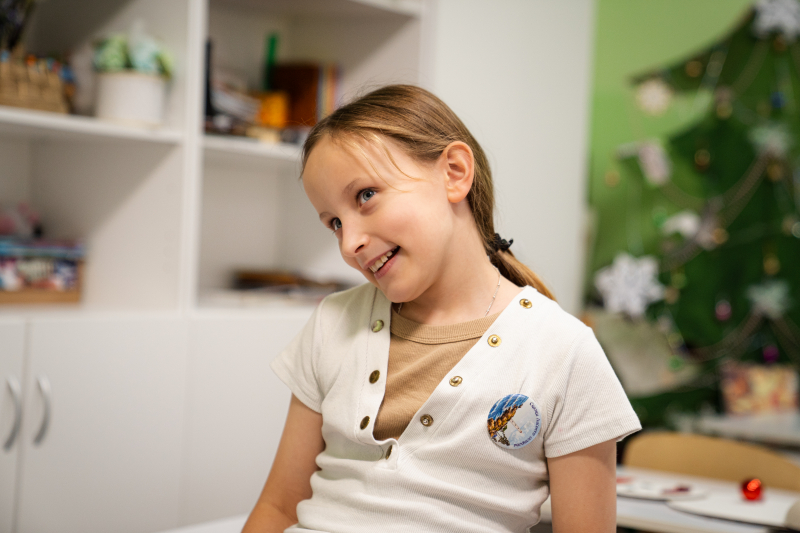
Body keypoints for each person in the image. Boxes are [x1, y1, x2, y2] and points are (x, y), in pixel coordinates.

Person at [242, 85, 641, 533]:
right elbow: (278, 509)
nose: (349, 243)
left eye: (366, 196)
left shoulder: (562, 351)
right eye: (334, 222)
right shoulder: (332, 324)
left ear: (454, 173)